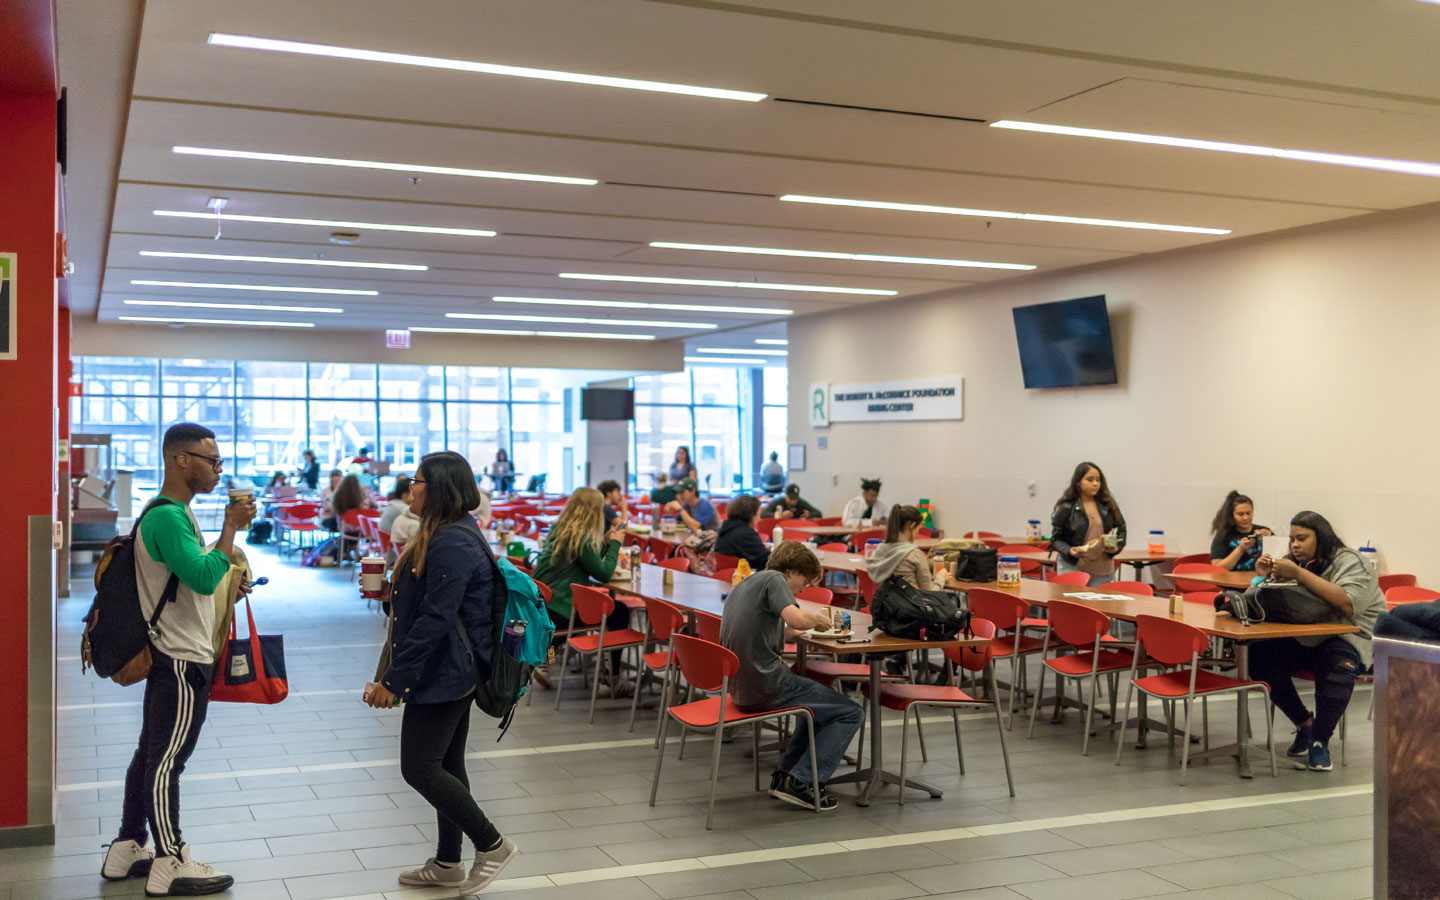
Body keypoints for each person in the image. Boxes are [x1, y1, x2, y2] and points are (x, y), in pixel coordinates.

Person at [101, 423, 255, 897]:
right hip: (182, 659)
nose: (219, 470)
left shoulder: (171, 513)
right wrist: (230, 530)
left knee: (150, 752)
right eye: (212, 461)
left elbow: (191, 576)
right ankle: (171, 859)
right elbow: (205, 579)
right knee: (168, 762)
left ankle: (128, 844)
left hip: (171, 652)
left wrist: (226, 565)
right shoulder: (169, 516)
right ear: (181, 459)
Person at [364, 451, 517, 894]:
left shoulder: (452, 540)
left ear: (438, 488)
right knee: (447, 763)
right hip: (449, 667)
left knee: (419, 767)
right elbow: (432, 605)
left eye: (416, 481)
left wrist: (392, 681)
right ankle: (449, 861)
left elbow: (436, 618)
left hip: (446, 670)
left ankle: (491, 843)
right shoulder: (450, 533)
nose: (410, 488)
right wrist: (389, 595)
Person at [719, 542, 863, 812]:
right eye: (805, 583)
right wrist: (817, 621)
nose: (801, 590)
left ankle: (785, 776)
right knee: (850, 712)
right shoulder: (775, 578)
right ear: (793, 571)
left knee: (817, 707)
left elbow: (766, 631)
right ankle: (803, 781)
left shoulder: (746, 583)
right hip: (766, 682)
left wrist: (798, 633)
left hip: (740, 685)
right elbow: (795, 618)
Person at [1248, 511, 1384, 772]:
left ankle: (1320, 742)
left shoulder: (1351, 561)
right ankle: (1304, 724)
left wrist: (1298, 574)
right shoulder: (1295, 562)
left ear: (1320, 537)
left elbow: (1348, 602)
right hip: (1308, 633)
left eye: (1302, 538)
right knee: (1261, 657)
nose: (1295, 545)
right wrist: (1263, 576)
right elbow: (1268, 600)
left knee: (1337, 667)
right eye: (1292, 539)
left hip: (1349, 634)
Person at [532, 488, 631, 695]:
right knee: (619, 611)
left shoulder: (560, 530)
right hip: (562, 608)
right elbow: (603, 574)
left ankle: (543, 659)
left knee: (555, 637)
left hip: (544, 605)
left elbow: (587, 562)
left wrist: (603, 544)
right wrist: (614, 545)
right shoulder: (583, 538)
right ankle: (610, 678)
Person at [1049, 462, 1126, 587]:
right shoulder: (1067, 506)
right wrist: (1069, 550)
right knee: (1074, 604)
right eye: (1090, 480)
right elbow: (1056, 539)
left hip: (1102, 567)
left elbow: (1122, 528)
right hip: (1073, 564)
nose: (1095, 483)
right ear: (1078, 482)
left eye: (1098, 480)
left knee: (1097, 606)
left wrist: (1117, 548)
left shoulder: (1108, 504)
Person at [868, 505, 964, 592]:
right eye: (918, 529)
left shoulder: (880, 549)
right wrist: (940, 578)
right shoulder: (914, 553)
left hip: (882, 608)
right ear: (912, 526)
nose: (918, 534)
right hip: (910, 609)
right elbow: (929, 592)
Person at [1209, 490, 1273, 571]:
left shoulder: (1265, 531)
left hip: (1260, 581)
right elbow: (1217, 569)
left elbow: (1280, 561)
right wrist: (1240, 549)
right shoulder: (1223, 535)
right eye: (1240, 514)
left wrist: (1271, 540)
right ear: (1232, 515)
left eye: (1248, 513)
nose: (1245, 518)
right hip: (1231, 582)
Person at [715, 495, 769, 571]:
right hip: (747, 577)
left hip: (726, 577)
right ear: (751, 515)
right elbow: (767, 559)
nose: (759, 519)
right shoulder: (746, 534)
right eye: (758, 514)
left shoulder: (725, 529)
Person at [326, 473, 372, 539]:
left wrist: (337, 489)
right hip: (361, 530)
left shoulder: (338, 497)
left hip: (344, 529)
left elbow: (333, 512)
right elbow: (374, 506)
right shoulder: (364, 497)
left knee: (332, 520)